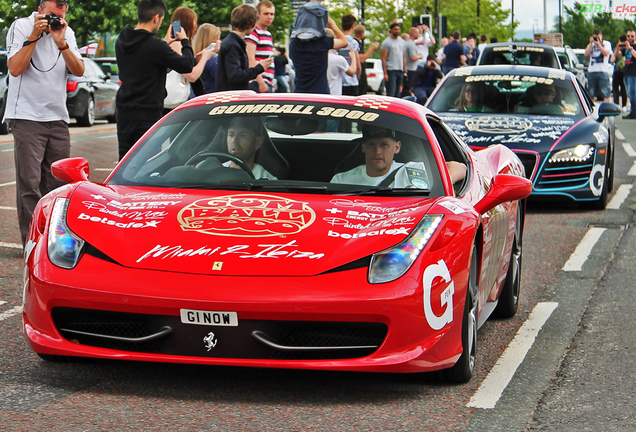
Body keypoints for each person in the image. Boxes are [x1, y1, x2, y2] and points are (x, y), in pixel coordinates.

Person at [4, 0, 85, 246]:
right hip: (27, 115)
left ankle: (53, 240)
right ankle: (32, 243)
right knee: (29, 184)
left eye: (60, 15)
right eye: (51, 15)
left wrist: (62, 43)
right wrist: (35, 35)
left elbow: (79, 70)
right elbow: (15, 68)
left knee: (58, 184)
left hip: (58, 116)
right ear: (40, 10)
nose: (55, 20)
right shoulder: (21, 25)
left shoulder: (66, 32)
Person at [115, 0, 195, 160]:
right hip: (147, 114)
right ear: (156, 18)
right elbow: (187, 65)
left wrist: (165, 43)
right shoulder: (155, 46)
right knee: (143, 166)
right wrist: (185, 41)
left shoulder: (122, 40)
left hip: (124, 111)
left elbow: (144, 61)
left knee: (124, 162)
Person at [331, 126, 466, 187]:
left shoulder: (412, 171)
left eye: (384, 145)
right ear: (363, 147)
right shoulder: (342, 180)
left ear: (397, 147)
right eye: (372, 145)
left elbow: (459, 167)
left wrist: (438, 185)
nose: (377, 151)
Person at [216, 4, 273, 92]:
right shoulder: (233, 45)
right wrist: (260, 67)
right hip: (231, 97)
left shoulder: (233, 42)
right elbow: (235, 76)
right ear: (250, 23)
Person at [289, 15, 348, 94]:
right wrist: (333, 26)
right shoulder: (322, 42)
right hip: (320, 93)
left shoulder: (294, 43)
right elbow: (344, 42)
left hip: (300, 92)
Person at [166, 7, 213, 101]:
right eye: (194, 21)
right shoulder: (177, 44)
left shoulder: (178, 44)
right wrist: (204, 58)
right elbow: (191, 75)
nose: (196, 25)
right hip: (177, 100)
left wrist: (196, 60)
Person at [246, 0, 275, 93]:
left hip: (267, 82)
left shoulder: (268, 34)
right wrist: (260, 82)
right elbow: (250, 58)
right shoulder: (254, 32)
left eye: (272, 14)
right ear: (258, 15)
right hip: (257, 82)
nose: (269, 17)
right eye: (266, 14)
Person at [191, 23, 221, 94]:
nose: (220, 41)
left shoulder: (195, 59)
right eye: (218, 38)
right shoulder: (213, 60)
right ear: (212, 41)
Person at [584, 29, 612, 102]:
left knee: (606, 92)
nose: (597, 39)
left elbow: (606, 53)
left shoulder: (606, 44)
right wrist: (590, 43)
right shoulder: (591, 45)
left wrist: (599, 44)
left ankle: (608, 110)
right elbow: (586, 54)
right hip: (592, 71)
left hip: (603, 71)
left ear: (601, 36)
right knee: (591, 93)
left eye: (598, 37)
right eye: (595, 37)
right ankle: (590, 111)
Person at [326, 30, 356, 95]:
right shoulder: (338, 59)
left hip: (320, 96)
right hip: (335, 96)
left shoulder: (315, 59)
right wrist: (353, 58)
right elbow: (352, 72)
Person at [381, 22, 406, 97]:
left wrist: (405, 70)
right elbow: (383, 58)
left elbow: (403, 56)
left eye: (398, 29)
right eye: (395, 29)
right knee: (391, 91)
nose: (397, 31)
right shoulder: (386, 42)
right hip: (391, 70)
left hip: (400, 69)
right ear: (391, 30)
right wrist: (385, 73)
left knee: (398, 92)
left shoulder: (402, 42)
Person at [353, 24, 379, 94]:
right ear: (362, 34)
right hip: (359, 75)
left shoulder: (358, 43)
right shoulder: (356, 43)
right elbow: (361, 59)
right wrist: (372, 48)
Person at [340, 14, 361, 97]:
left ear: (341, 26)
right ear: (353, 26)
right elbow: (358, 65)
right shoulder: (354, 43)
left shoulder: (337, 41)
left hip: (339, 82)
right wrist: (358, 76)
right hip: (352, 82)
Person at [404, 27, 425, 97]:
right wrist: (420, 56)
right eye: (418, 33)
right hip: (411, 68)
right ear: (414, 34)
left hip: (407, 68)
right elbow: (413, 57)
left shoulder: (405, 43)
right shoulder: (411, 44)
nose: (419, 35)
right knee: (412, 88)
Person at [621, 30, 636, 119]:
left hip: (633, 73)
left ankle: (634, 112)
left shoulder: (632, 47)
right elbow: (618, 54)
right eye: (628, 36)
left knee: (632, 92)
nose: (630, 38)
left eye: (632, 36)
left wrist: (630, 48)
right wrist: (620, 46)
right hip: (626, 71)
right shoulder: (625, 47)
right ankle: (632, 111)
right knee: (629, 94)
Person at [612, 34, 628, 110]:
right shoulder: (621, 48)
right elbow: (613, 58)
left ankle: (619, 105)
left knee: (619, 89)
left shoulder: (626, 48)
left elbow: (614, 57)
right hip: (621, 70)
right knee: (620, 88)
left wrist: (617, 48)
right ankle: (621, 105)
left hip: (621, 70)